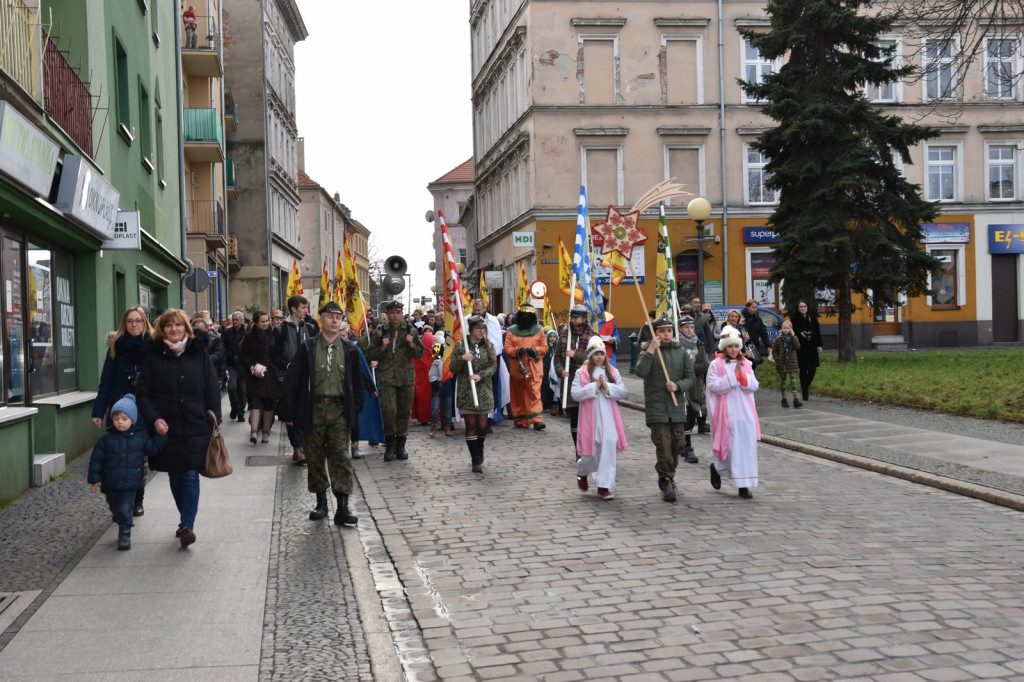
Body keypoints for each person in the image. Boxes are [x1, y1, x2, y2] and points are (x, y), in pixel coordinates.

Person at [136, 309, 221, 548]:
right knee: (175, 475)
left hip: (196, 423)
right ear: (161, 330)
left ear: (187, 328)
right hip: (167, 426)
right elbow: (143, 393)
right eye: (169, 326)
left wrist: (215, 416)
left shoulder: (199, 353)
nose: (174, 330)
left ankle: (187, 525)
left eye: (179, 325)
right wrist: (154, 419)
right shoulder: (154, 356)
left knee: (191, 475)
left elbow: (211, 387)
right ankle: (184, 519)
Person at [280, 301, 365, 526]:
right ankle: (321, 503)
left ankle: (343, 507)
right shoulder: (308, 347)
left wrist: (355, 408)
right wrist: (288, 410)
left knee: (341, 458)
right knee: (315, 457)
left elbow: (357, 383)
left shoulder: (350, 350)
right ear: (321, 319)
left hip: (339, 411)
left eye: (339, 317)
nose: (335, 320)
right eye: (330, 316)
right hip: (313, 409)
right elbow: (293, 379)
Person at [91, 306, 152, 517]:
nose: (134, 324)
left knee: (139, 457)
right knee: (117, 457)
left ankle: (137, 499)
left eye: (138, 320)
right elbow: (106, 381)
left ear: (145, 323)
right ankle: (119, 499)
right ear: (124, 324)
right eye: (130, 321)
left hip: (144, 409)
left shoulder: (153, 346)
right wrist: (98, 410)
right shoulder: (115, 347)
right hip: (118, 409)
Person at [88, 395, 167, 551]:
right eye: (116, 418)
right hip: (111, 482)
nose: (120, 422)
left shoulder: (140, 437)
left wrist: (161, 435)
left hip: (131, 482)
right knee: (114, 506)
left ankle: (124, 533)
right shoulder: (106, 439)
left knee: (125, 508)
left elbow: (153, 448)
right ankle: (120, 518)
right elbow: (97, 459)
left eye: (124, 418)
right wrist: (95, 478)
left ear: (133, 420)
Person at [636, 317, 694, 502]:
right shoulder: (648, 351)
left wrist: (678, 386)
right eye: (662, 331)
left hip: (676, 406)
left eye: (669, 331)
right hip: (657, 407)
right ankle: (666, 479)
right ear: (655, 334)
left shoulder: (681, 352)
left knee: (679, 444)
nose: (666, 334)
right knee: (664, 444)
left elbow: (690, 377)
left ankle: (668, 473)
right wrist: (651, 349)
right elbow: (640, 371)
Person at [365, 300, 425, 461]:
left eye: (398, 312)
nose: (395, 316)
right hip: (386, 378)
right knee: (389, 411)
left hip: (405, 378)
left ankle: (401, 445)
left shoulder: (410, 330)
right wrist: (382, 348)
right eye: (392, 313)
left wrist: (411, 344)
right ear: (388, 314)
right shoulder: (380, 330)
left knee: (404, 412)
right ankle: (390, 444)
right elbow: (369, 354)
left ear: (402, 313)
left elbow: (420, 354)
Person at [706, 325, 761, 499]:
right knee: (729, 448)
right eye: (730, 346)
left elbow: (754, 385)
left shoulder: (746, 363)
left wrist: (743, 378)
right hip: (726, 413)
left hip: (744, 412)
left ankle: (743, 484)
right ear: (723, 346)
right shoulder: (716, 365)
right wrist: (732, 378)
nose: (733, 349)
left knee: (744, 448)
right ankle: (717, 468)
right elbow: (713, 386)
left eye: (736, 346)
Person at [572, 336, 628, 500]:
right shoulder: (581, 372)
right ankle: (582, 471)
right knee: (591, 454)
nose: (599, 357)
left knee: (610, 445)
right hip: (591, 418)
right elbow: (575, 394)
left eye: (601, 354)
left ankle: (604, 486)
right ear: (590, 355)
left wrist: (606, 386)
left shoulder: (612, 371)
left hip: (609, 417)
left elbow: (623, 391)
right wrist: (593, 387)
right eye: (596, 353)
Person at [271, 295, 318, 464]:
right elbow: (274, 353)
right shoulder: (280, 330)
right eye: (303, 307)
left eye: (307, 307)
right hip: (286, 377)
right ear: (293, 309)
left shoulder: (311, 328)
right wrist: (288, 365)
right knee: (290, 410)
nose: (306, 310)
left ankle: (305, 444)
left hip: (308, 378)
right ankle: (297, 448)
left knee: (306, 409)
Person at [449, 315, 497, 472]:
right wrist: (463, 358)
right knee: (470, 425)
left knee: (482, 426)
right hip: (467, 390)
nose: (481, 331)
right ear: (470, 330)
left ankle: (480, 446)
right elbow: (453, 368)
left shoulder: (489, 346)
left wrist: (481, 375)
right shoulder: (461, 345)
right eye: (478, 328)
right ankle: (475, 459)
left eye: (483, 328)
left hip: (483, 389)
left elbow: (493, 367)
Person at [555, 304, 597, 452]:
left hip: (588, 380)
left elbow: (597, 358)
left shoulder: (593, 337)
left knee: (588, 419)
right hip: (571, 380)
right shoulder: (565, 334)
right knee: (574, 418)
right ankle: (578, 450)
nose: (573, 320)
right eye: (572, 317)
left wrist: (575, 355)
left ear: (584, 319)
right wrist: (561, 371)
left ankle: (589, 448)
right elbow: (557, 357)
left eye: (577, 317)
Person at [237, 310, 279, 444]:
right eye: (262, 321)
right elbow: (243, 355)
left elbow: (278, 353)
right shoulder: (249, 336)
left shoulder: (274, 334)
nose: (266, 323)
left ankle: (266, 432)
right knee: (255, 402)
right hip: (255, 374)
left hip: (271, 374)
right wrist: (251, 366)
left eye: (267, 321)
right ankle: (254, 431)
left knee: (268, 403)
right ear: (255, 322)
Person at [504, 304, 548, 430]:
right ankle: (520, 418)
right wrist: (517, 350)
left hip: (534, 366)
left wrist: (535, 350)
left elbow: (545, 347)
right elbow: (507, 348)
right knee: (519, 393)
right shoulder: (511, 331)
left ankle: (537, 419)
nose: (526, 317)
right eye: (523, 315)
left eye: (528, 315)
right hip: (518, 366)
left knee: (534, 391)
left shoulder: (539, 330)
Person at [472, 298, 508, 430]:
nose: (477, 312)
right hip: (474, 359)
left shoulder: (492, 321)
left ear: (485, 309)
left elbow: (497, 341)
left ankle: (489, 417)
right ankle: (474, 416)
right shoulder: (467, 320)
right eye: (475, 310)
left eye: (479, 310)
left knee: (491, 387)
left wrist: (490, 354)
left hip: (491, 358)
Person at [678, 316, 708, 463]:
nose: (689, 330)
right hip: (680, 384)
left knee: (692, 414)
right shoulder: (676, 344)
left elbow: (703, 364)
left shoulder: (699, 344)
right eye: (686, 327)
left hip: (695, 383)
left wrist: (688, 369)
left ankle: (684, 442)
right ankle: (688, 446)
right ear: (680, 329)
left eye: (691, 327)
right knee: (683, 414)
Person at [791, 299, 823, 401]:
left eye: (804, 306)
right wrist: (799, 333)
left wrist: (819, 345)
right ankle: (805, 392)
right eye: (801, 307)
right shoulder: (795, 319)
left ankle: (805, 387)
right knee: (803, 369)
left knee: (813, 368)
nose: (803, 308)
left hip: (812, 345)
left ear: (807, 307)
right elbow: (792, 332)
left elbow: (817, 332)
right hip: (801, 347)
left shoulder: (812, 318)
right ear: (798, 308)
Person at [221, 311, 248, 422]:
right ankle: (234, 407)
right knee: (232, 387)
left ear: (242, 320)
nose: (235, 321)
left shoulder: (247, 333)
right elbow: (222, 348)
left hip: (243, 365)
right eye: (233, 319)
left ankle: (241, 412)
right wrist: (231, 357)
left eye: (237, 319)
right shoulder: (227, 333)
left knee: (242, 390)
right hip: (231, 364)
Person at [771, 319, 802, 407]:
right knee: (783, 382)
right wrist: (777, 359)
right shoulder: (778, 339)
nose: (786, 330)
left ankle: (796, 399)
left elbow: (797, 347)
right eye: (784, 328)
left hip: (791, 363)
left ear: (791, 329)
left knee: (793, 382)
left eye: (787, 328)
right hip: (782, 364)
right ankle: (784, 398)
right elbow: (774, 351)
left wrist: (793, 336)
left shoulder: (793, 338)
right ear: (781, 329)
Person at [191, 319, 226, 390]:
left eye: (201, 329)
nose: (198, 332)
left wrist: (221, 376)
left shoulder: (215, 340)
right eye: (196, 330)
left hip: (211, 373)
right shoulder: (189, 342)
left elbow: (220, 357)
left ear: (206, 329)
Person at [411, 326, 435, 425]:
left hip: (421, 381)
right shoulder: (433, 350)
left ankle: (424, 418)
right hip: (427, 380)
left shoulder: (420, 352)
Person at [741, 299, 771, 370]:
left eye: (756, 307)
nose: (755, 309)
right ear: (747, 307)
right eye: (753, 307)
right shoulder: (741, 318)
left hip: (753, 347)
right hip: (742, 348)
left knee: (752, 368)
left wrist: (768, 346)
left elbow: (764, 334)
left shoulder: (758, 319)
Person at [541, 329, 559, 415]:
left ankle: (554, 405)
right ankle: (543, 403)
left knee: (554, 387)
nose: (552, 338)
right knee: (544, 385)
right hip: (546, 369)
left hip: (555, 370)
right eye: (550, 336)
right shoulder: (545, 347)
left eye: (554, 336)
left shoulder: (557, 347)